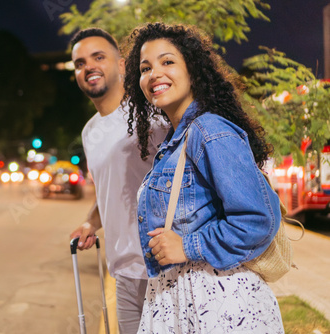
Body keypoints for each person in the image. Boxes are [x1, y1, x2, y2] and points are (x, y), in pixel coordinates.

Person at [122, 22, 285, 333]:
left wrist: (188, 246)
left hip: (218, 303)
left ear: (193, 70)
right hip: (183, 298)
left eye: (167, 61)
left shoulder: (208, 130)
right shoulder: (175, 140)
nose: (155, 73)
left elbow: (257, 219)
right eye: (145, 68)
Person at [68, 28, 169, 333]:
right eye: (80, 63)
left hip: (165, 268)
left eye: (99, 57)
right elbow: (109, 192)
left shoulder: (154, 115)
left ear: (123, 64)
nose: (89, 67)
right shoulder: (89, 132)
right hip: (124, 273)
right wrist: (90, 223)